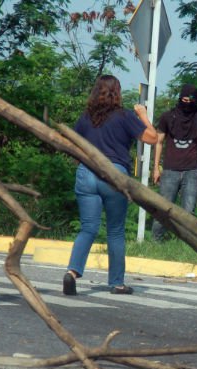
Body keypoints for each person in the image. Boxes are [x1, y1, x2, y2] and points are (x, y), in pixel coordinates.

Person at [63, 75, 158, 296]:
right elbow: (152, 138)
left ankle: (72, 272)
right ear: (117, 92)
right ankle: (116, 283)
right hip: (114, 175)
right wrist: (143, 116)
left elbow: (72, 146)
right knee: (115, 231)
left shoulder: (85, 118)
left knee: (88, 228)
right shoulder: (124, 116)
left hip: (86, 172)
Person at [151, 84, 197, 241]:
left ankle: (188, 244)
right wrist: (156, 168)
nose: (186, 103)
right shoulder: (167, 117)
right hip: (170, 169)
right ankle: (155, 242)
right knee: (163, 209)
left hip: (192, 170)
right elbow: (158, 142)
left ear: (196, 101)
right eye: (184, 99)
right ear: (179, 99)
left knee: (189, 212)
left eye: (190, 100)